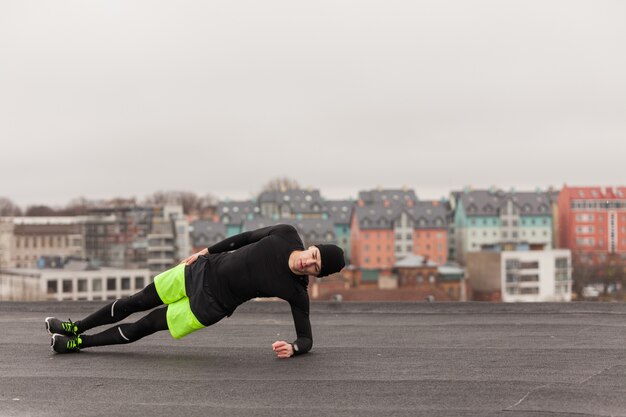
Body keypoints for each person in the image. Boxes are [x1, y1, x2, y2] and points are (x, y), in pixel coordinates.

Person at [45, 224, 345, 359]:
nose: (309, 261)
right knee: (134, 301)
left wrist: (293, 348)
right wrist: (204, 251)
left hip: (210, 306)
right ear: (312, 247)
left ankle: (78, 343)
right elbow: (242, 238)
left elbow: (306, 338)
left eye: (315, 266)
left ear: (317, 274)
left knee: (146, 325)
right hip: (200, 270)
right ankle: (75, 326)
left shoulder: (296, 291)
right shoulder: (285, 234)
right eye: (314, 254)